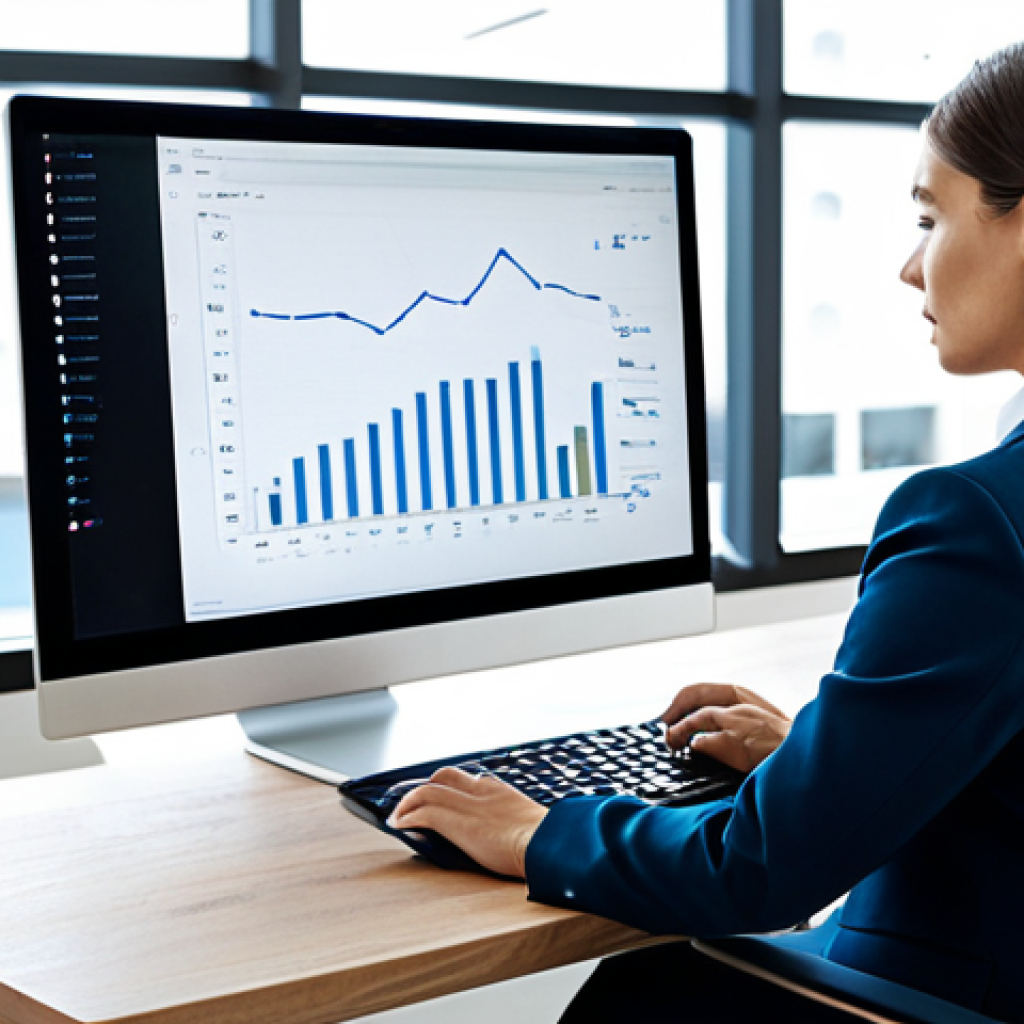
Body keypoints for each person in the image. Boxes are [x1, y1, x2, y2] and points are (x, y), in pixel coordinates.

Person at [391, 42, 1024, 1022]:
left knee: (646, 992)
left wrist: (536, 831)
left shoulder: (974, 523)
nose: (908, 267)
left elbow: (750, 875)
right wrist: (822, 764)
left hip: (951, 991)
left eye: (928, 216)